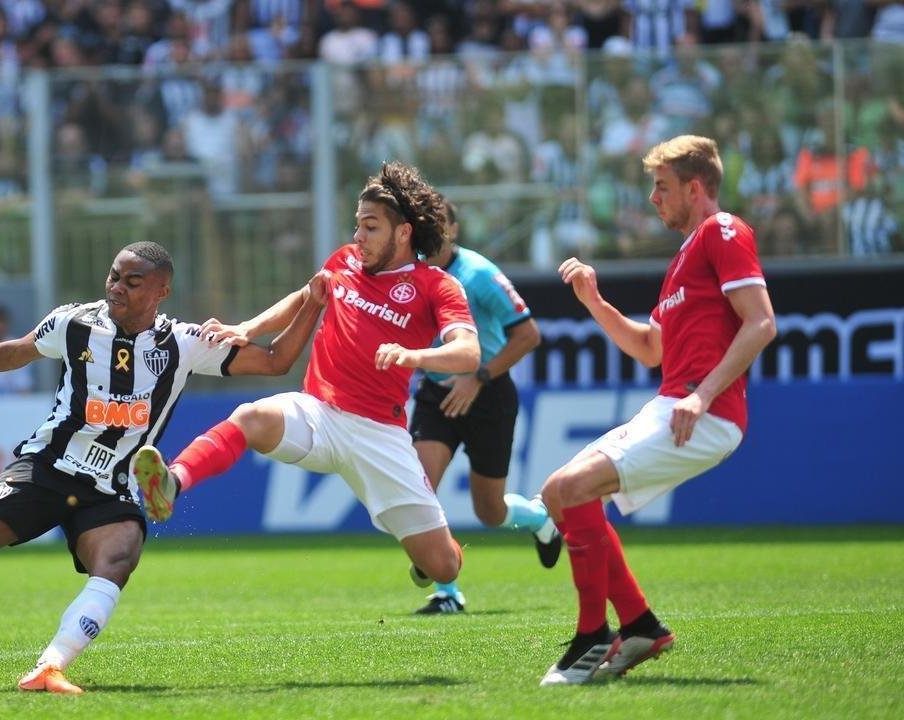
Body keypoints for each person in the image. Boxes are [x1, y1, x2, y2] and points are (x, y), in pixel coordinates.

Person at [0, 241, 329, 695]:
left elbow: (276, 361)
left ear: (161, 292)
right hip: (47, 467)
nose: (117, 288)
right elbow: (16, 352)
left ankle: (51, 666)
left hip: (114, 486)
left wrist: (313, 303)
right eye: (113, 276)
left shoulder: (185, 343)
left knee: (119, 559)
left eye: (132, 282)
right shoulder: (74, 322)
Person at [132, 162, 480, 595]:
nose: (358, 237)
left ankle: (437, 559)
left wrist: (413, 354)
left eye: (371, 228)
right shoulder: (345, 261)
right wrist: (248, 329)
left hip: (378, 434)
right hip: (318, 413)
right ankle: (172, 481)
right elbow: (304, 295)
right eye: (357, 225)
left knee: (444, 567)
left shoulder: (437, 286)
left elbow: (468, 351)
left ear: (404, 232)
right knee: (251, 416)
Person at [504, 135, 777, 686]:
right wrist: (594, 302)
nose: (653, 198)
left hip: (705, 412)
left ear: (695, 188)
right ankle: (640, 626)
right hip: (673, 404)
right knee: (559, 491)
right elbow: (651, 348)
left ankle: (591, 638)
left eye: (662, 187)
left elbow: (762, 322)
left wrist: (702, 395)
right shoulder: (683, 260)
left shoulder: (723, 231)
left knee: (574, 488)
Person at [408, 199, 555, 615]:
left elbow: (528, 335)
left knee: (489, 511)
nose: (428, 234)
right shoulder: (410, 274)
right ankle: (447, 592)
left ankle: (538, 518)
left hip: (487, 393)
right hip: (437, 394)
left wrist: (479, 376)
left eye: (437, 226)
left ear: (453, 229)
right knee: (418, 488)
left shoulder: (480, 274)